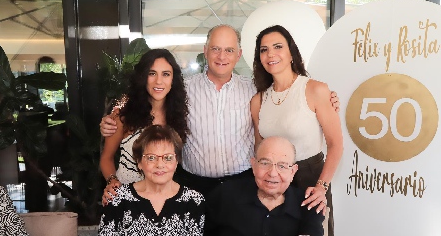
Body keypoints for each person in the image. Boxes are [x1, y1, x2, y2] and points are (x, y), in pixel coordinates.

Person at [100, 24, 340, 197]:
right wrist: (116, 111)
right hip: (193, 184)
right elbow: (151, 89)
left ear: (239, 55)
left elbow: (289, 97)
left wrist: (328, 101)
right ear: (205, 51)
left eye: (228, 50)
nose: (221, 56)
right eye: (215, 49)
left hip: (243, 183)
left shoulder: (255, 90)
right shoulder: (184, 88)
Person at [250, 24, 343, 236]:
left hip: (310, 181)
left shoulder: (315, 89)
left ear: (291, 52)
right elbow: (259, 149)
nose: (270, 54)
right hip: (272, 182)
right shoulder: (258, 100)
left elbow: (336, 144)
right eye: (263, 50)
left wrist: (321, 187)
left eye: (277, 46)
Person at [100, 48, 189, 201]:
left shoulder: (179, 116)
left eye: (166, 74)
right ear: (142, 76)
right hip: (127, 198)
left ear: (173, 80)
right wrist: (112, 181)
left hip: (165, 199)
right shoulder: (123, 116)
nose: (159, 81)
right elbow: (106, 158)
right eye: (152, 73)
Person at [205, 136, 324, 236]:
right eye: (265, 163)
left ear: (293, 171)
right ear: (253, 165)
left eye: (282, 166)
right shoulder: (225, 194)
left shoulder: (309, 204)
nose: (272, 173)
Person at [98, 125, 205, 235]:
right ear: (139, 162)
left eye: (168, 157)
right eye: (151, 158)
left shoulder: (193, 201)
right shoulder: (117, 199)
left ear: (176, 161)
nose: (160, 165)